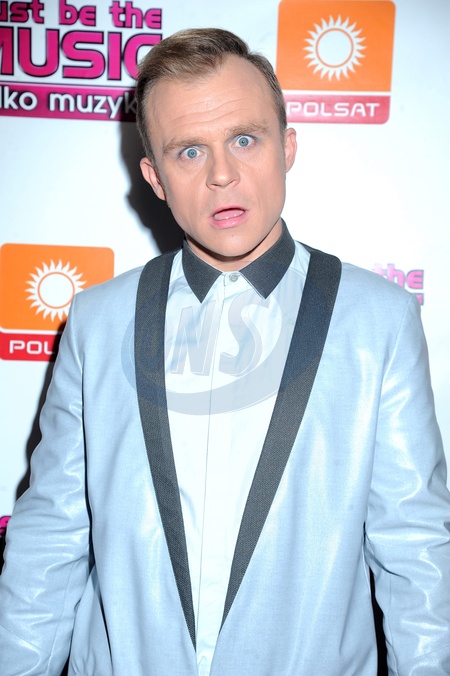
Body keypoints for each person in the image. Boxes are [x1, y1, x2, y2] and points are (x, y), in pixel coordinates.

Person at [1, 27, 449, 676]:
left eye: (244, 139)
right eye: (189, 151)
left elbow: (416, 551)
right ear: (154, 177)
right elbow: (50, 540)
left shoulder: (378, 320)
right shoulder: (98, 322)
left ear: (287, 147)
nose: (221, 174)